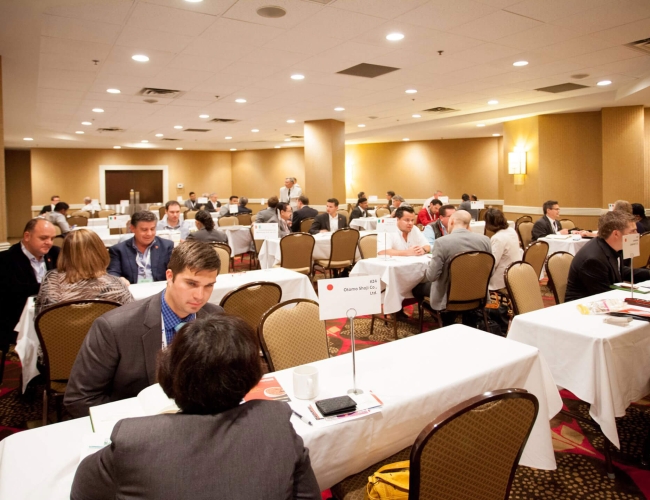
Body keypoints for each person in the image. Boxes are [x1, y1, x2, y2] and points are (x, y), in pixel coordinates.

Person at [70, 315, 321, 500]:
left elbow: (82, 491)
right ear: (251, 376)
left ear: (170, 372)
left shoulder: (134, 439)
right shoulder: (275, 420)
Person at [65, 241, 225, 418]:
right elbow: (80, 399)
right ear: (169, 276)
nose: (200, 296)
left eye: (209, 285)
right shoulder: (115, 327)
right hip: (138, 427)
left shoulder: (215, 317)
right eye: (191, 284)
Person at [413, 211, 491, 322]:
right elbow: (489, 272)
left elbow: (432, 276)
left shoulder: (441, 242)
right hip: (477, 294)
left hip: (448, 297)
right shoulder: (485, 240)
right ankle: (466, 314)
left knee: (417, 288)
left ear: (452, 222)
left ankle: (441, 318)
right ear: (468, 224)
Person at [35, 229, 133, 315]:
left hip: (60, 335)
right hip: (102, 335)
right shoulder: (116, 286)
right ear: (101, 252)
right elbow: (130, 318)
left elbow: (39, 318)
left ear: (64, 253)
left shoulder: (51, 281)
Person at [0, 219, 59, 356]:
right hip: (19, 321)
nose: (49, 242)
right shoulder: (6, 260)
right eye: (44, 238)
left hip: (54, 315)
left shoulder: (56, 254)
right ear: (27, 236)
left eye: (52, 238)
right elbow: (16, 293)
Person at [565, 211, 650, 301]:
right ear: (616, 234)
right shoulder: (594, 260)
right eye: (632, 231)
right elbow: (605, 297)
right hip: (583, 308)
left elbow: (619, 271)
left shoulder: (612, 246)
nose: (637, 234)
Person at [108, 211, 174, 284]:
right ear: (132, 228)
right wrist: (119, 279)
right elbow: (112, 274)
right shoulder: (118, 250)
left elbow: (175, 271)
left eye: (152, 229)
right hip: (131, 291)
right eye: (144, 230)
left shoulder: (166, 246)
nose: (149, 234)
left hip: (159, 290)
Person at [485, 208, 522, 292]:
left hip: (501, 278)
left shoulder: (497, 238)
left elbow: (493, 263)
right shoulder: (511, 230)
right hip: (514, 272)